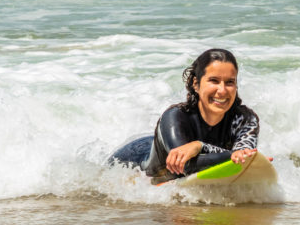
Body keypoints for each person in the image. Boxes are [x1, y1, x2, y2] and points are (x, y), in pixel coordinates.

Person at [109, 48, 259, 184]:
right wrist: (233, 155)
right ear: (196, 84)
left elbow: (243, 155)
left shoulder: (246, 119)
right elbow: (184, 166)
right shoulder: (175, 117)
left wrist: (199, 146)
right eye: (214, 81)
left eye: (229, 82)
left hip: (167, 142)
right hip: (134, 159)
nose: (222, 90)